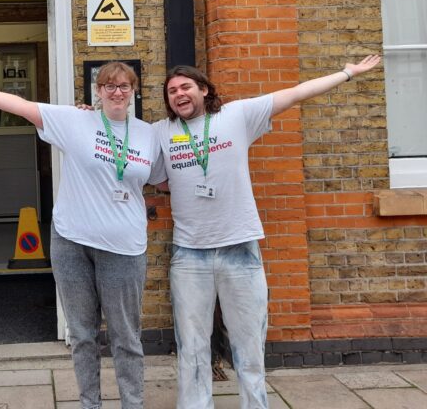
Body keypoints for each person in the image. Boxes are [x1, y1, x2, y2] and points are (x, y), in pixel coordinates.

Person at [155, 55, 381, 409]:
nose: (179, 94)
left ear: (203, 89)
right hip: (190, 254)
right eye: (171, 91)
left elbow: (295, 94)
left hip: (240, 249)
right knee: (192, 347)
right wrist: (89, 113)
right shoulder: (160, 132)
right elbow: (127, 146)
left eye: (185, 87)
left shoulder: (237, 115)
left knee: (249, 347)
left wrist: (347, 73)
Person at [0, 61, 166, 409]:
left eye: (124, 86)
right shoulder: (75, 121)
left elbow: (167, 180)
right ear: (98, 91)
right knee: (82, 336)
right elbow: (19, 106)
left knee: (126, 337)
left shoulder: (149, 134)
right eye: (109, 86)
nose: (117, 92)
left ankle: (132, 403)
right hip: (72, 243)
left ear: (133, 91)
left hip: (124, 247)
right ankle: (91, 403)